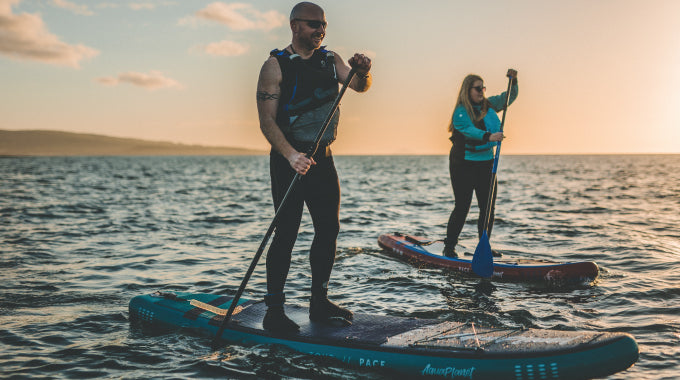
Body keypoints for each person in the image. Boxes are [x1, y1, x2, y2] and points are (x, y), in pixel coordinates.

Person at [255, 2, 372, 332]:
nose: (320, 30)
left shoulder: (329, 59)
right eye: (313, 24)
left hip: (322, 158)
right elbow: (266, 122)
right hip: (288, 160)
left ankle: (318, 302)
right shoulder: (275, 65)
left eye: (324, 24)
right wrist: (291, 155)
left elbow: (359, 86)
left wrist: (362, 70)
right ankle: (274, 311)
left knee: (328, 229)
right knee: (287, 234)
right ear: (294, 26)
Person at [443, 69, 518, 258]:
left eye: (483, 88)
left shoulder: (489, 104)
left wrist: (514, 81)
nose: (481, 92)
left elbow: (509, 96)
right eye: (477, 88)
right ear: (467, 90)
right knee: (463, 206)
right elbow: (468, 130)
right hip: (463, 164)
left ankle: (483, 246)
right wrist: (489, 136)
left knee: (487, 207)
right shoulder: (460, 112)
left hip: (486, 163)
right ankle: (449, 247)